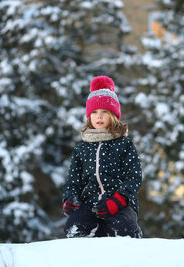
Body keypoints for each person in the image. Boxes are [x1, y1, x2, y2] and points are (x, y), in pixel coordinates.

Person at [62, 75, 143, 238]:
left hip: (119, 203)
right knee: (75, 228)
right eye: (94, 112)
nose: (99, 116)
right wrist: (69, 199)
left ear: (113, 115)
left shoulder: (124, 144)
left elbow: (134, 178)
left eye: (104, 112)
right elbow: (73, 181)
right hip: (89, 203)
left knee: (123, 228)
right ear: (89, 116)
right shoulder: (82, 149)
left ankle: (128, 238)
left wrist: (118, 200)